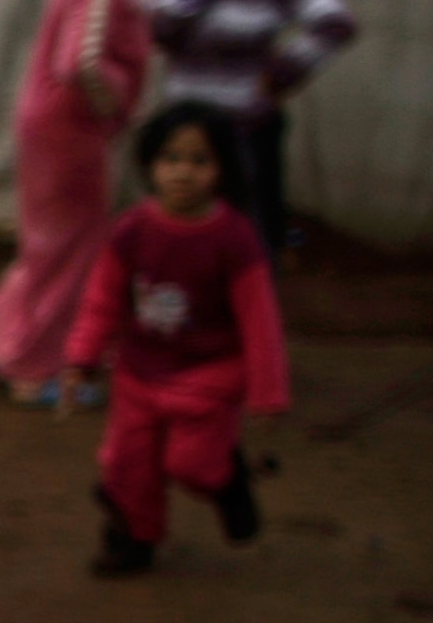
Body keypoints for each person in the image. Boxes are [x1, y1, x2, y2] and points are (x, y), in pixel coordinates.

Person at [0, 0, 196, 406]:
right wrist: (114, 107)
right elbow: (80, 62)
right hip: (69, 134)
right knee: (70, 248)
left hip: (56, 127)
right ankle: (27, 364)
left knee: (53, 243)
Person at [61, 102, 289, 579]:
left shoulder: (234, 239)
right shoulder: (132, 231)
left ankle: (228, 481)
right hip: (140, 370)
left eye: (199, 161)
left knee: (192, 464)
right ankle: (134, 539)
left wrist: (267, 393)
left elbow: (259, 320)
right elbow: (103, 299)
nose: (183, 173)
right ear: (150, 166)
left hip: (209, 374)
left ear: (222, 169)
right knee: (129, 466)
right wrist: (81, 355)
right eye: (171, 159)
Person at [149, 0, 358, 257]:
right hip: (186, 132)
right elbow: (161, 32)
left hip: (245, 132)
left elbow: (337, 23)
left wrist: (280, 74)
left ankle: (250, 310)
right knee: (182, 230)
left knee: (246, 235)